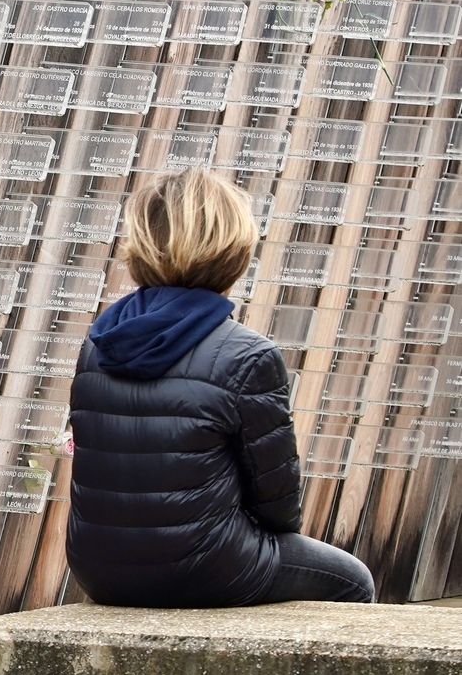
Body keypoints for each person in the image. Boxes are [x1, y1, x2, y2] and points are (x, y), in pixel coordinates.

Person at [67, 168, 375, 608]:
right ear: (231, 251)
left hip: (97, 566)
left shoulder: (97, 343)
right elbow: (277, 502)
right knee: (353, 579)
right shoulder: (249, 355)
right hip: (207, 565)